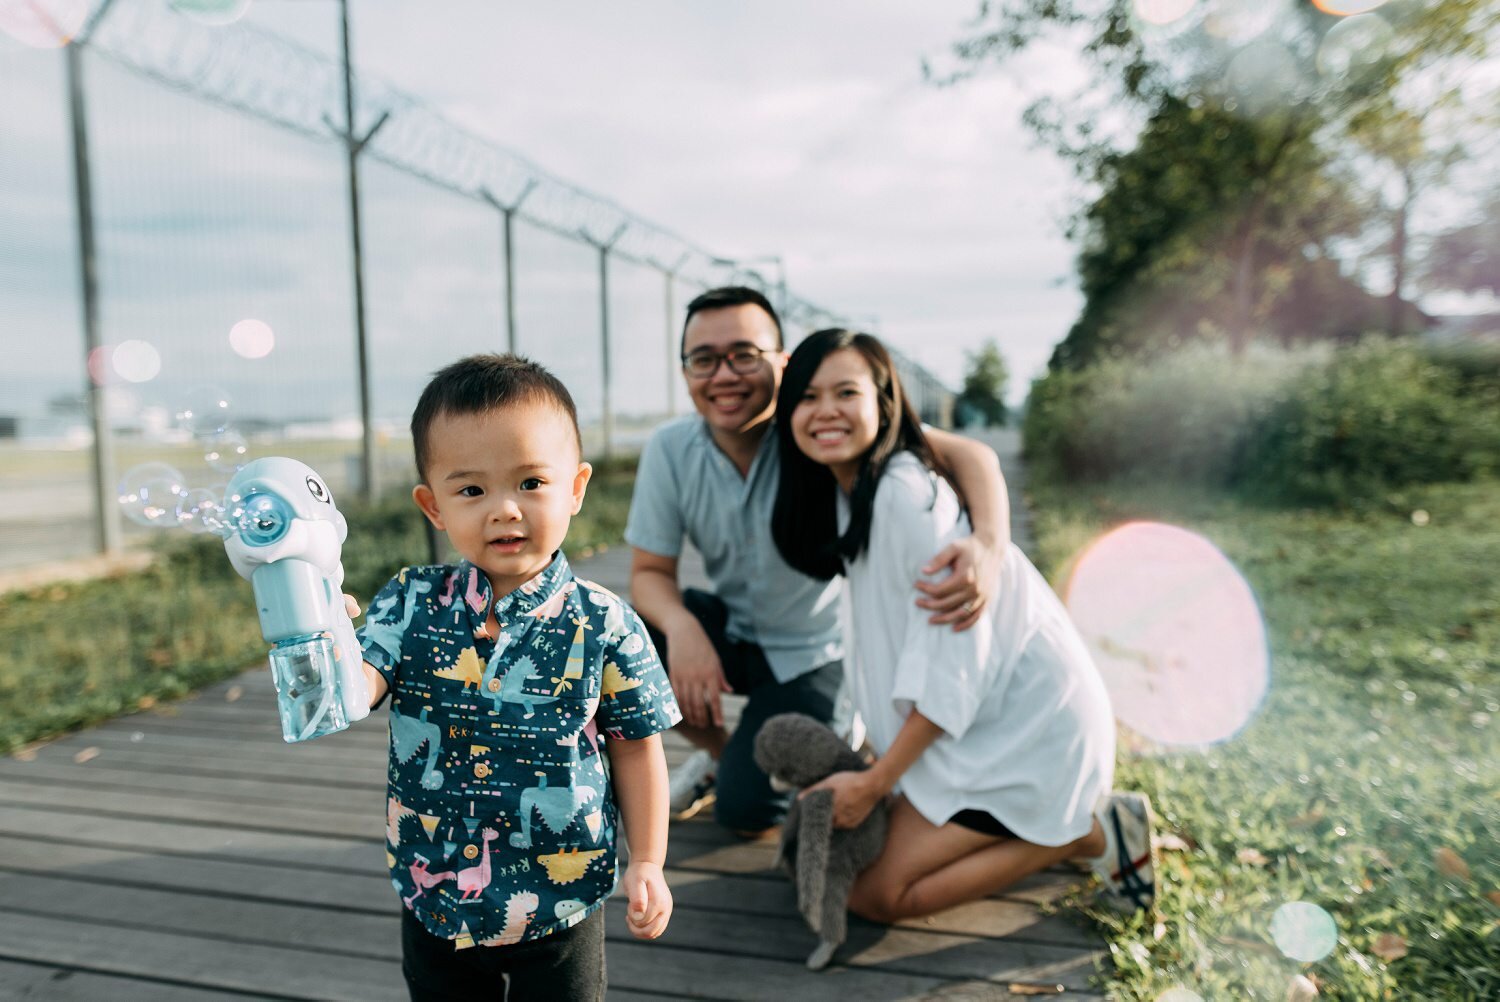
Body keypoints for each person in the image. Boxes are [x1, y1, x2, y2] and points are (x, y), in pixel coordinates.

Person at [770, 329, 1157, 920]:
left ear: (885, 404)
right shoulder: (850, 488)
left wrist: (876, 783)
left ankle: (1091, 834)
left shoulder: (905, 496)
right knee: (836, 860)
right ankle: (1044, 829)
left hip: (1023, 738)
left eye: (846, 393)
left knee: (872, 895)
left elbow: (953, 669)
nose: (825, 411)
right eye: (807, 396)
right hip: (974, 730)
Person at [352, 354, 681, 1002]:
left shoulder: (604, 621)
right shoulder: (409, 602)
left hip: (563, 890)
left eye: (531, 482)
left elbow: (637, 747)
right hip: (435, 890)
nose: (505, 509)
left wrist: (648, 860)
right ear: (433, 505)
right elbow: (353, 689)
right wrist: (325, 641)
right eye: (471, 490)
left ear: (576, 488)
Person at [626, 286, 1011, 836]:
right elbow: (648, 573)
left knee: (746, 814)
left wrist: (989, 545)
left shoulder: (816, 428)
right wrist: (683, 626)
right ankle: (726, 754)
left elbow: (969, 454)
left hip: (818, 652)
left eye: (744, 355)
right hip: (734, 634)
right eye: (704, 360)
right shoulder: (670, 448)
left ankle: (810, 743)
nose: (724, 375)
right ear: (685, 371)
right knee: (624, 635)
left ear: (782, 363)